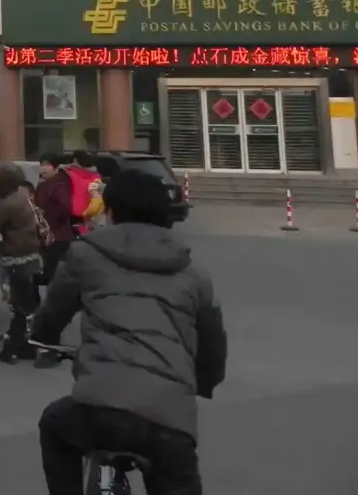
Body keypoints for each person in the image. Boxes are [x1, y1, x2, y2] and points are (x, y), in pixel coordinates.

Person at [32, 169, 227, 495]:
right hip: (169, 421)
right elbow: (213, 346)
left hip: (99, 411)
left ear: (110, 211)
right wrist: (202, 381)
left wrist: (43, 337)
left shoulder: (85, 255)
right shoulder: (194, 274)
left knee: (54, 426)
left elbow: (53, 311)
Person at [0, 161, 43, 364]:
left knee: (19, 306)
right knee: (27, 305)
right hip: (31, 256)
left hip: (15, 260)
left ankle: (11, 349)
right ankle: (27, 347)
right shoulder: (22, 197)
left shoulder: (7, 204)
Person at [33, 153, 75, 286]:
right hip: (45, 236)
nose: (43, 168)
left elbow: (66, 208)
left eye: (47, 165)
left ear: (56, 167)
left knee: (53, 277)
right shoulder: (43, 184)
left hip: (57, 236)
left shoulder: (60, 183)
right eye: (42, 165)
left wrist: (46, 216)